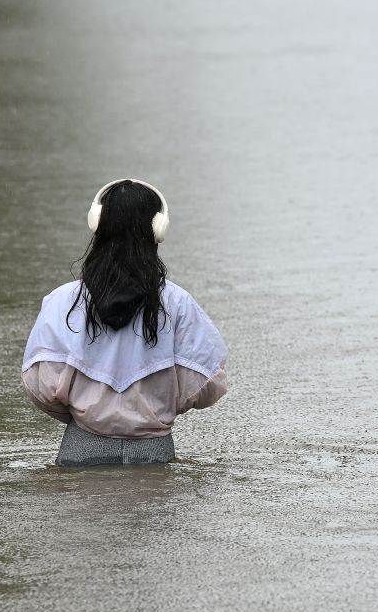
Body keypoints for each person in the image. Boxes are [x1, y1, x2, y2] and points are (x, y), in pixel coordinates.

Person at [22, 179, 228, 466]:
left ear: (96, 223)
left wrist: (82, 409)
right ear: (158, 229)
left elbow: (39, 385)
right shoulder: (178, 303)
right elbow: (207, 385)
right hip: (153, 451)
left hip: (80, 447)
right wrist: (161, 405)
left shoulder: (62, 301)